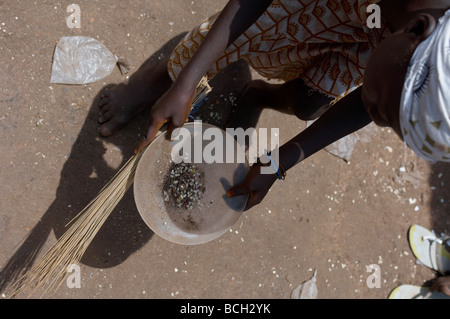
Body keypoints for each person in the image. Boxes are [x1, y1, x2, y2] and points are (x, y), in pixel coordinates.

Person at [97, 0, 450, 211]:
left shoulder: (410, 56)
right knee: (248, 36)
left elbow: (365, 103)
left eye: (387, 122)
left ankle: (256, 94)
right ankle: (160, 79)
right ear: (417, 28)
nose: (374, 116)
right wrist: (188, 81)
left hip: (373, 36)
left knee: (308, 104)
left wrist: (279, 160)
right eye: (383, 108)